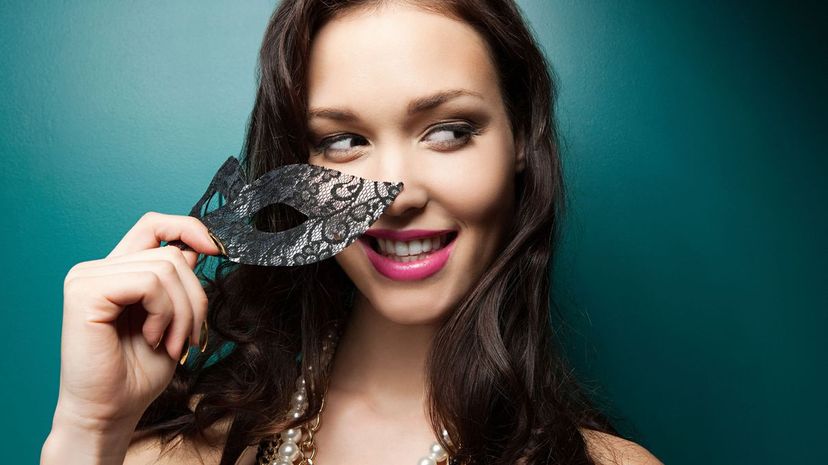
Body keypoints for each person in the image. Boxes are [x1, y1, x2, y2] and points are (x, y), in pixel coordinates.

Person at [41, 1, 664, 464]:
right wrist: (90, 428)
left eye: (447, 130)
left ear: (521, 141)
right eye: (343, 142)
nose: (395, 196)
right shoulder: (172, 454)